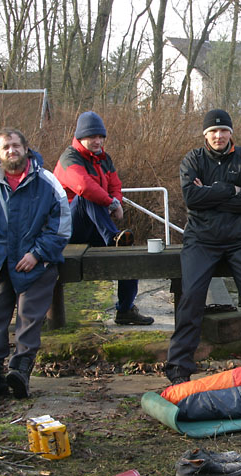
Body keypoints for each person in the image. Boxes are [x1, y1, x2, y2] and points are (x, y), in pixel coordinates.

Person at [165, 109, 241, 384]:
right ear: (205, 134)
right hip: (201, 240)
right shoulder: (193, 160)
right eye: (213, 131)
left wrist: (209, 194)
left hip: (240, 240)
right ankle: (179, 369)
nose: (218, 136)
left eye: (223, 131)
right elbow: (191, 198)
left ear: (231, 133)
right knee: (191, 297)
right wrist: (230, 190)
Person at [0, 128, 71, 403]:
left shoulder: (47, 182)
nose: (11, 150)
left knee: (29, 319)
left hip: (36, 264)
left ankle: (20, 372)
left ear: (26, 149)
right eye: (6, 147)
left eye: (15, 145)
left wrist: (38, 254)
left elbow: (61, 227)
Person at [53, 111, 153, 326]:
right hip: (68, 228)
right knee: (85, 196)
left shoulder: (104, 158)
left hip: (95, 226)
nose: (98, 141)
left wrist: (116, 200)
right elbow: (84, 186)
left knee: (128, 255)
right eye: (92, 137)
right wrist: (111, 203)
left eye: (101, 137)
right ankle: (113, 237)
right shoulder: (69, 158)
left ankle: (125, 310)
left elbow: (115, 185)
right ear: (80, 137)